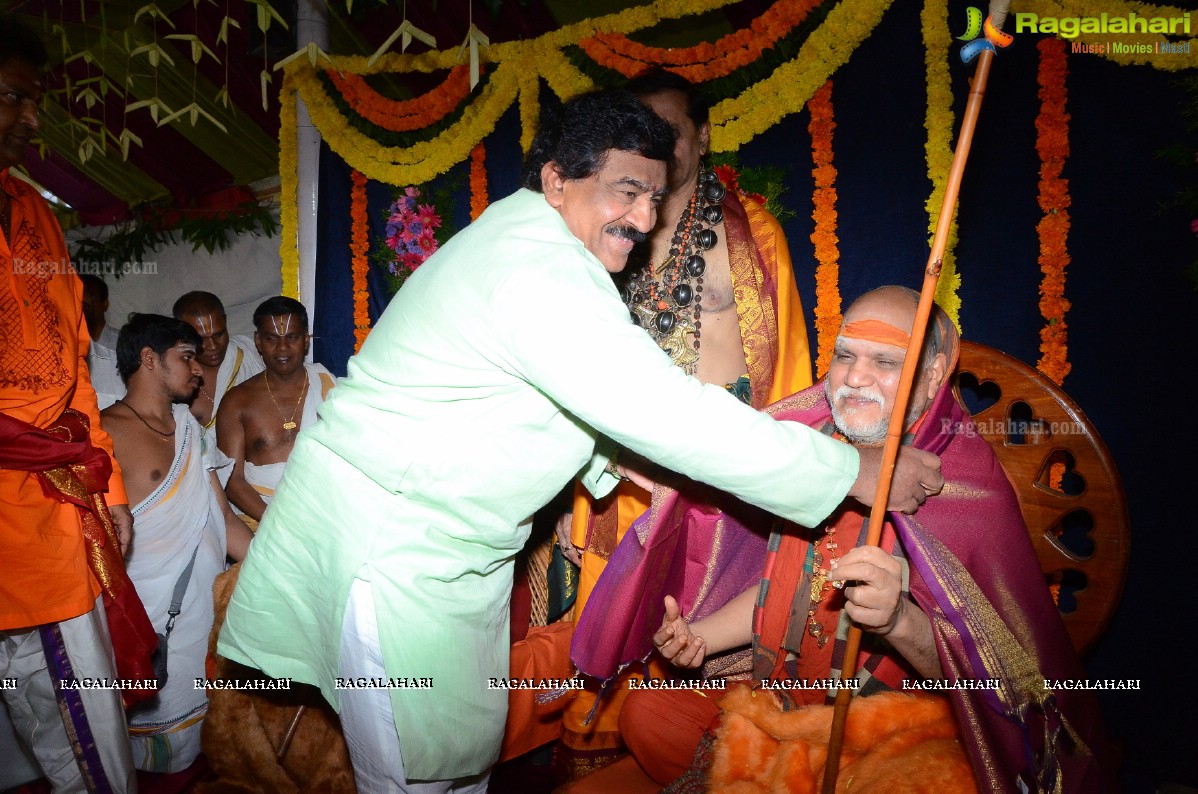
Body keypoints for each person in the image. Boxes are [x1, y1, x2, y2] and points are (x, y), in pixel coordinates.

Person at [216, 89, 942, 793]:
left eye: (654, 198)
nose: (642, 216)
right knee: (409, 776)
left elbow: (545, 394)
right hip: (387, 557)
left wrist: (621, 463)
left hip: (439, 560)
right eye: (625, 191)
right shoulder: (539, 268)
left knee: (452, 766)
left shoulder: (536, 241)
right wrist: (854, 471)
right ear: (558, 180)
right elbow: (665, 408)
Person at [580, 286, 1110, 792]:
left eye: (885, 362)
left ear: (931, 379)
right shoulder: (811, 450)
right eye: (844, 355)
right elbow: (787, 588)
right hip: (784, 701)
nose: (855, 377)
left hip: (899, 726)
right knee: (649, 715)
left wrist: (900, 620)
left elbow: (991, 677)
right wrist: (701, 639)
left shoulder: (959, 485)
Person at [551, 68, 816, 771]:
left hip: (721, 476)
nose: (657, 148)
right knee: (613, 612)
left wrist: (780, 476)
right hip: (626, 466)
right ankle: (609, 747)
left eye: (670, 131)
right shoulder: (610, 235)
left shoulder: (749, 234)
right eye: (641, 134)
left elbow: (786, 359)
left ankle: (730, 758)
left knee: (704, 637)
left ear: (701, 134)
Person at [0, 16, 154, 792]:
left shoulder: (33, 213)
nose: (33, 119)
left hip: (53, 509)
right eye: (16, 99)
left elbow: (76, 373)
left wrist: (110, 487)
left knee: (88, 739)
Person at [101, 314, 253, 773]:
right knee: (152, 759)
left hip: (203, 612)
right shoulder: (104, 432)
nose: (198, 369)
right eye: (185, 357)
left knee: (211, 744)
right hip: (144, 614)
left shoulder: (189, 426)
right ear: (150, 360)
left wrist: (281, 565)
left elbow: (223, 518)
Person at [217, 296, 335, 526]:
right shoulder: (236, 403)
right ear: (258, 341)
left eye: (292, 337)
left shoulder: (328, 387)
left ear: (306, 341)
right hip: (262, 518)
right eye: (272, 339)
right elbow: (232, 480)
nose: (283, 348)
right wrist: (279, 523)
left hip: (326, 512)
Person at [172, 290, 263, 434]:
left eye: (219, 334)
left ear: (225, 322)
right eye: (201, 340)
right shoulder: (170, 377)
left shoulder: (250, 353)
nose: (213, 346)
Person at [79, 272, 125, 409]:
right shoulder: (63, 345)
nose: (84, 302)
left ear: (105, 304)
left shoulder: (123, 342)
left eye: (91, 297)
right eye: (79, 297)